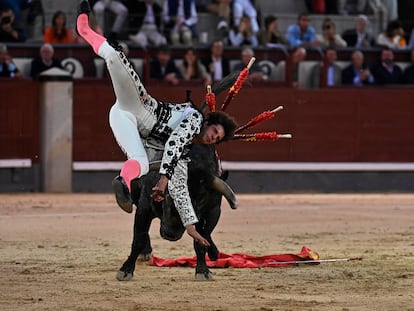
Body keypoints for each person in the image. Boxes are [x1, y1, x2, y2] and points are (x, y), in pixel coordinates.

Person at [76, 0, 237, 247]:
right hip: (138, 105)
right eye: (215, 131)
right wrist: (163, 178)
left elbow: (180, 189)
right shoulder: (194, 118)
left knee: (139, 162)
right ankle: (84, 28)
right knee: (114, 55)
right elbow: (174, 142)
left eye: (217, 139)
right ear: (209, 122)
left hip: (121, 119)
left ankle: (123, 183)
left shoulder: (184, 157)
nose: (212, 137)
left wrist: (191, 227)